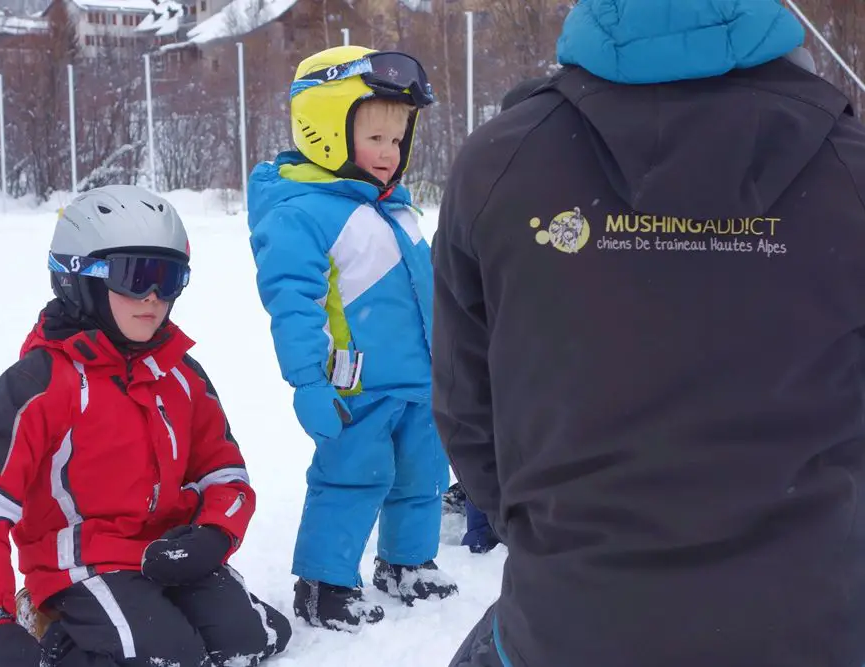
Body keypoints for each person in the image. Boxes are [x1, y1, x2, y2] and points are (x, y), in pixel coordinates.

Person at [433, 0, 865, 665]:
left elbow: (466, 405)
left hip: (574, 617)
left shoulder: (502, 161)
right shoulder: (849, 172)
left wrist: (549, 524)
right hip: (808, 619)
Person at [0, 185, 291, 667]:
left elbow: (224, 471)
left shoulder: (180, 374)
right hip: (80, 565)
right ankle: (50, 623)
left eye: (168, 279)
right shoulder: (39, 384)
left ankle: (162, 615)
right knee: (169, 657)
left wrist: (214, 534)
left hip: (166, 553)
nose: (153, 297)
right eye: (135, 276)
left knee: (248, 642)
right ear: (78, 277)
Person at [246, 45, 458, 631]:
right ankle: (326, 583)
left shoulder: (396, 210)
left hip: (419, 382)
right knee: (352, 478)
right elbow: (293, 304)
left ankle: (407, 563)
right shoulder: (302, 213)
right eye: (376, 139)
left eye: (397, 140)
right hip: (353, 386)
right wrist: (308, 381)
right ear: (325, 130)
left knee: (422, 476)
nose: (390, 154)